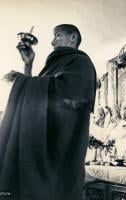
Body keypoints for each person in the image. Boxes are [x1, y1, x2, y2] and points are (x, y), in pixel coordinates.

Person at [0, 24, 96, 200]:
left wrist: (22, 81)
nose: (52, 42)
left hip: (60, 156)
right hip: (39, 149)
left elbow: (69, 100)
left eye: (57, 36)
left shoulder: (81, 63)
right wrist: (28, 66)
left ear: (73, 38)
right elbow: (37, 101)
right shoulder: (54, 65)